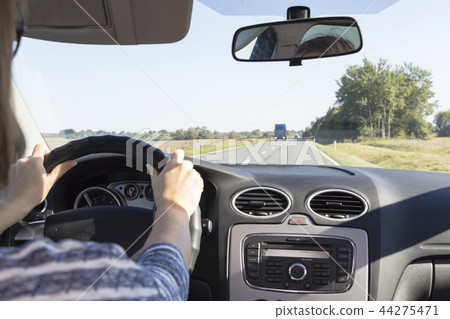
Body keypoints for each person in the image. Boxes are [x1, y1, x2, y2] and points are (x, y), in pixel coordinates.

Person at [0, 0, 204, 300]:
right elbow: (162, 294)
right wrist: (173, 209)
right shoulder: (61, 277)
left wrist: (14, 202)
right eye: (12, 39)